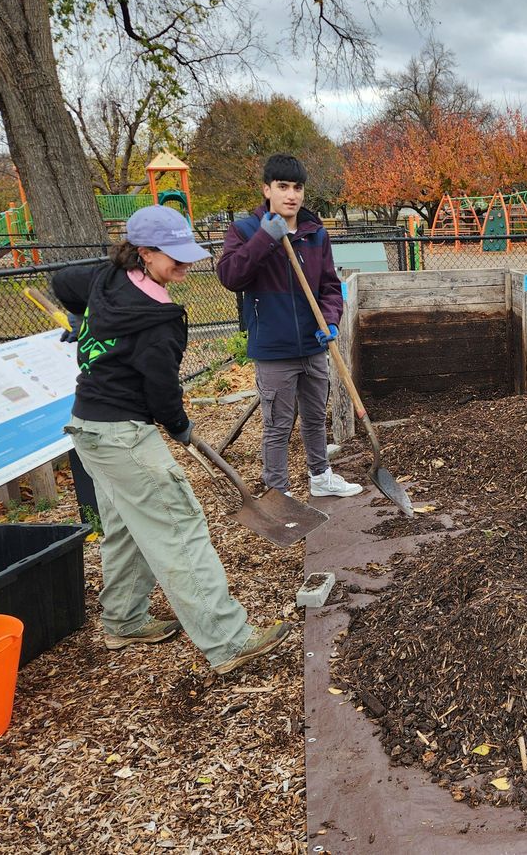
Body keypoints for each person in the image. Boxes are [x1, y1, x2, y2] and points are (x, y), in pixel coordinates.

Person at [53, 205, 289, 675]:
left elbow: (63, 282)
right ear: (143, 253)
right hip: (123, 435)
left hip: (89, 429)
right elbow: (161, 392)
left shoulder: (106, 277)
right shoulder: (160, 319)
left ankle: (123, 618)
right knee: (178, 526)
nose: (185, 265)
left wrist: (85, 322)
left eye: (187, 255)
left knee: (126, 525)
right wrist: (179, 425)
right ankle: (228, 639)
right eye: (174, 258)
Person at [217, 154, 362, 498]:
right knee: (278, 426)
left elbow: (329, 286)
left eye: (297, 187)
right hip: (274, 348)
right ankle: (278, 493)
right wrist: (265, 238)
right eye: (283, 187)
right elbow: (230, 276)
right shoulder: (246, 231)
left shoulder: (314, 234)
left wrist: (329, 320)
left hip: (313, 345)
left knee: (314, 418)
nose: (291, 195)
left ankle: (320, 476)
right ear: (267, 189)